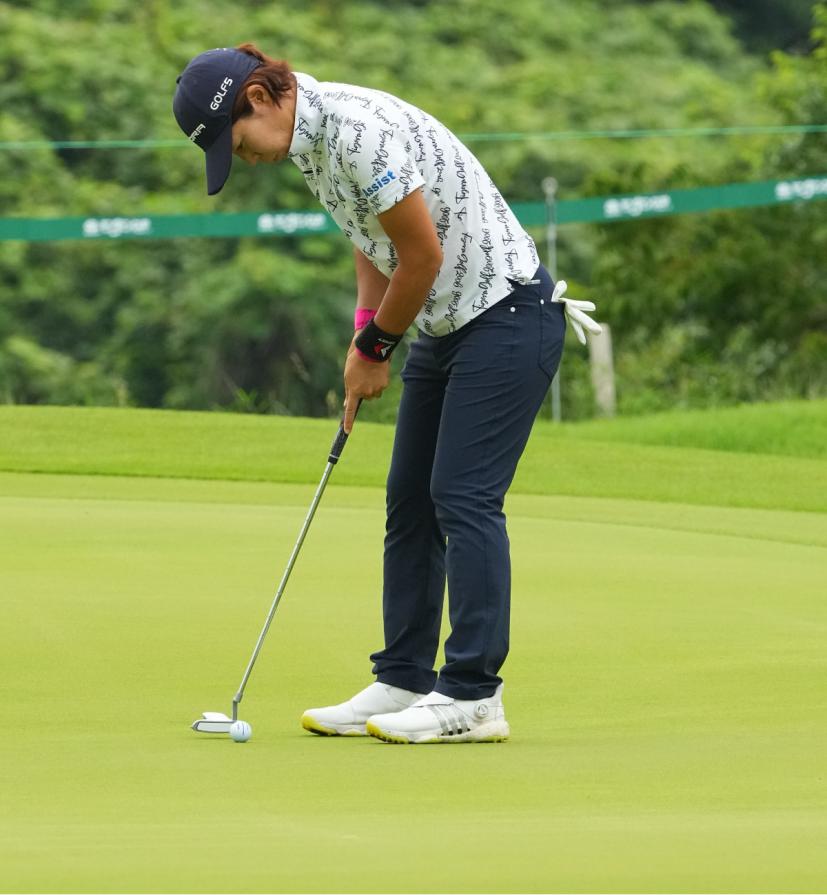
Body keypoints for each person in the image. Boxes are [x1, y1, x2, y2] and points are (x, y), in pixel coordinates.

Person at [173, 44, 600, 744]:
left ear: (258, 99)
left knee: (462, 496)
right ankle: (403, 677)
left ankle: (473, 696)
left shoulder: (355, 130)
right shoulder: (309, 141)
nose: (241, 159)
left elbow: (423, 255)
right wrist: (365, 330)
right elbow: (373, 238)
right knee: (409, 499)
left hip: (508, 314)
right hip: (443, 321)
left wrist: (377, 351)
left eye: (236, 142)